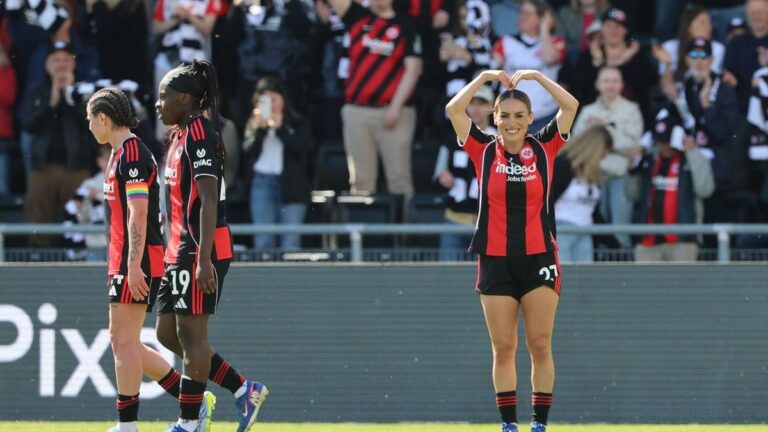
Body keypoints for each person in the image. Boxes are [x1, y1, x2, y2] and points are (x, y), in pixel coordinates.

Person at [445, 68, 578, 432]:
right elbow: (454, 110)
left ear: (531, 118)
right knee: (503, 348)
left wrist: (536, 77)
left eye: (521, 116)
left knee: (539, 344)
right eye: (505, 116)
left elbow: (571, 106)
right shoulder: (482, 149)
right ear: (495, 118)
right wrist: (484, 77)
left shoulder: (546, 145)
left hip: (539, 258)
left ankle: (539, 424)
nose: (513, 123)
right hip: (494, 260)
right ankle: (508, 425)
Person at [86, 87, 214, 432]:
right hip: (125, 258)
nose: (89, 127)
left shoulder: (132, 154)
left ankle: (128, 426)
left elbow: (138, 214)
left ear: (103, 118)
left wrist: (132, 264)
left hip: (137, 259)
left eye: (90, 120)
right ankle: (193, 399)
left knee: (123, 341)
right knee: (122, 341)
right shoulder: (119, 153)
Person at [155, 59, 268, 432]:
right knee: (166, 335)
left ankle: (189, 423)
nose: (158, 104)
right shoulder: (176, 136)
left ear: (185, 99)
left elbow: (207, 199)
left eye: (164, 97)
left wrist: (203, 260)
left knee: (192, 337)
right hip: (177, 248)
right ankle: (241, 389)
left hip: (200, 247)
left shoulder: (202, 133)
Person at [328, 0, 423, 202]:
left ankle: (403, 233)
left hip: (395, 112)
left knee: (398, 179)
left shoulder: (405, 25)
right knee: (361, 181)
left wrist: (395, 107)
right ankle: (361, 233)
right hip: (357, 110)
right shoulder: (357, 17)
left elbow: (413, 69)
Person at [21, 41, 95, 247]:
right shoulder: (36, 90)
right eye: (55, 60)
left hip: (77, 167)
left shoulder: (86, 91)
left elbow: (93, 125)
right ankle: (38, 265)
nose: (61, 64)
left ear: (74, 63)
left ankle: (75, 262)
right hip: (43, 167)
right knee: (38, 216)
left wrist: (71, 95)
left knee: (78, 218)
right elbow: (28, 124)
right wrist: (52, 100)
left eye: (65, 59)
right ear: (46, 64)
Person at [626, 107, 715, 262]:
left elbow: (705, 190)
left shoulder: (690, 160)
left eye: (667, 141)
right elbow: (631, 195)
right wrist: (633, 166)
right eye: (660, 141)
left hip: (683, 241)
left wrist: (693, 153)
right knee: (644, 287)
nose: (664, 146)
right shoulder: (649, 160)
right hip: (648, 241)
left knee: (681, 287)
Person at [572, 65, 643, 248]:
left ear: (621, 85)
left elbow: (634, 146)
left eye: (615, 80)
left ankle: (624, 276)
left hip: (621, 176)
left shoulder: (632, 110)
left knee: (621, 232)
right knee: (597, 233)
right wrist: (616, 138)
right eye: (606, 80)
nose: (610, 85)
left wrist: (604, 128)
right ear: (597, 84)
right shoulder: (587, 111)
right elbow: (577, 144)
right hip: (594, 178)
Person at [243, 76, 313, 251]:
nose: (271, 104)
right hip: (262, 184)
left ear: (283, 99)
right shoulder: (254, 124)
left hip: (292, 186)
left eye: (274, 99)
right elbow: (248, 153)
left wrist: (280, 128)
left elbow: (302, 151)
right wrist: (261, 129)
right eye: (265, 100)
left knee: (291, 243)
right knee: (264, 241)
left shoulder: (297, 122)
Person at [434, 85, 496, 261]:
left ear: (491, 107)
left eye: (481, 104)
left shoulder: (501, 141)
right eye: (472, 103)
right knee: (449, 279)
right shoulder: (452, 137)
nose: (476, 109)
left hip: (488, 224)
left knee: (486, 283)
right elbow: (439, 172)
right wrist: (443, 177)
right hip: (454, 220)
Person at [493, 0, 566, 133]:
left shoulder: (556, 42)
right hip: (510, 117)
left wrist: (545, 28)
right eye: (521, 12)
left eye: (528, 13)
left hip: (545, 117)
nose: (522, 16)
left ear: (543, 17)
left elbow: (549, 59)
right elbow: (490, 67)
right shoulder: (505, 42)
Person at [552, 125, 612, 263]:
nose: (605, 157)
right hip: (561, 231)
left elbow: (593, 213)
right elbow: (546, 200)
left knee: (585, 281)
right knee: (563, 280)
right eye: (604, 152)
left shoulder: (593, 174)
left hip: (585, 232)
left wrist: (614, 241)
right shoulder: (564, 165)